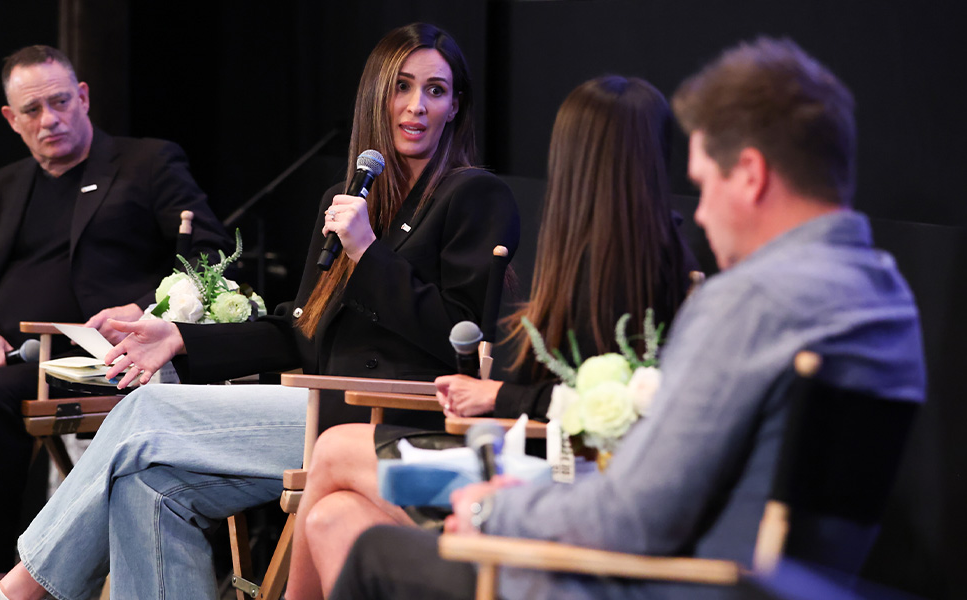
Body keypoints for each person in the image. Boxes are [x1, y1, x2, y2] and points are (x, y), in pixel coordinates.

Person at [328, 37, 926, 600]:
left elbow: (632, 517)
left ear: (750, 174)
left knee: (377, 551)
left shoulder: (752, 303)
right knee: (339, 517)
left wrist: (492, 509)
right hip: (750, 581)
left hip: (664, 583)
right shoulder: (886, 298)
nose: (702, 215)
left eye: (704, 185)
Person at [0, 23, 520, 600]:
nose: (416, 105)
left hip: (384, 419)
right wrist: (179, 337)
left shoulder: (474, 195)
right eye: (402, 86)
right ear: (376, 93)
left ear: (456, 106)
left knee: (146, 412)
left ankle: (16, 591)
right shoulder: (350, 197)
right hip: (318, 407)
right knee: (145, 487)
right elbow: (298, 330)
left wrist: (368, 253)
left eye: (435, 90)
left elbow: (457, 336)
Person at [286, 75, 699, 599]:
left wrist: (498, 394)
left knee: (335, 448)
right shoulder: (612, 249)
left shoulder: (636, 263)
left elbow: (602, 404)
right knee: (332, 518)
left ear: (574, 157)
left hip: (557, 490)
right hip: (542, 466)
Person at [0, 45, 233, 600]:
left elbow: (209, 256)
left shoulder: (146, 163)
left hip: (88, 359)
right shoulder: (2, 186)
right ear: (11, 119)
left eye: (60, 102)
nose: (49, 119)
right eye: (32, 110)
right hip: (2, 354)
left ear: (83, 97)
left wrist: (144, 309)